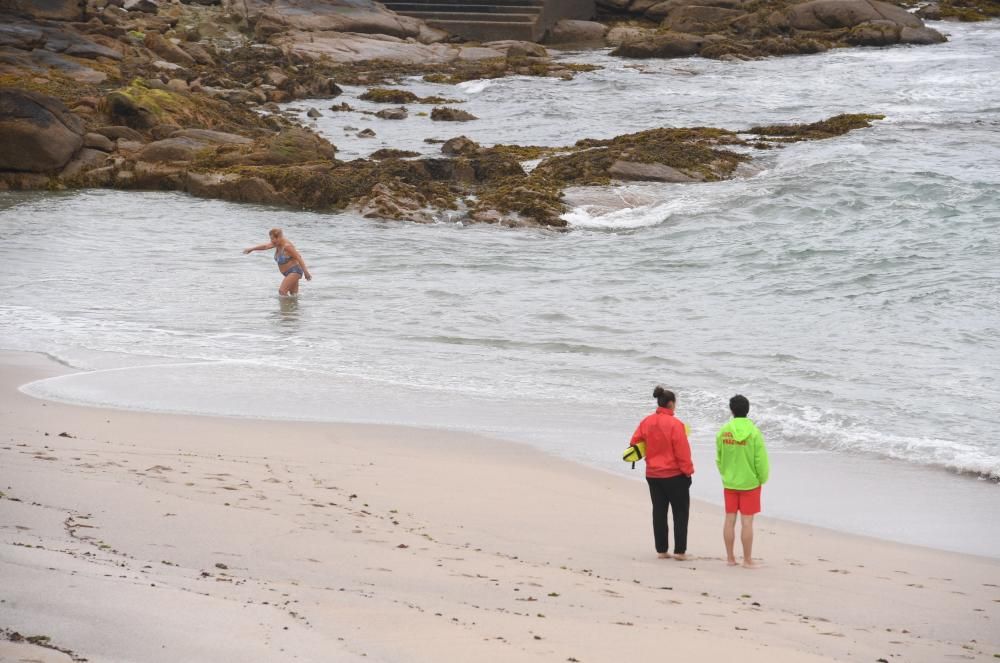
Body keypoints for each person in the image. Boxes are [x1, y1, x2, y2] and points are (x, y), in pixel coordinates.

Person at [629, 385, 695, 560]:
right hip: (674, 475)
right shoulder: (676, 424)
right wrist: (688, 472)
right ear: (671, 404)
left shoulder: (646, 421)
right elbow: (682, 452)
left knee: (659, 511)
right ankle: (680, 552)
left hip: (653, 474)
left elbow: (634, 443)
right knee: (680, 512)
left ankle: (662, 550)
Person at [715, 394, 770, 568]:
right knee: (747, 522)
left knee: (729, 519)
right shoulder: (754, 433)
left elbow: (719, 458)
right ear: (747, 410)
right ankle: (747, 560)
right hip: (750, 483)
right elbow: (760, 461)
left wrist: (726, 474)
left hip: (730, 482)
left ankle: (730, 558)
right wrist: (762, 478)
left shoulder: (724, 431)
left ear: (731, 410)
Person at [243, 228, 312, 296]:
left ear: (280, 237)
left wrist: (306, 273)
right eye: (271, 239)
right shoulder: (277, 243)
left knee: (282, 292)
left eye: (273, 238)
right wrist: (251, 249)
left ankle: (284, 307)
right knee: (293, 295)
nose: (272, 241)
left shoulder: (287, 246)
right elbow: (265, 246)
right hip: (288, 273)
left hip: (294, 271)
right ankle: (291, 307)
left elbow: (299, 258)